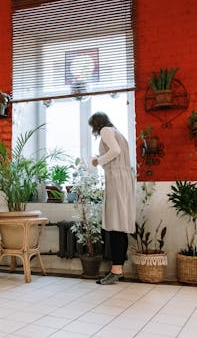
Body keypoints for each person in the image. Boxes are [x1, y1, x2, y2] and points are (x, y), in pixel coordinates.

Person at [88, 111, 136, 285]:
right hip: (125, 180)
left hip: (117, 180)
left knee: (115, 224)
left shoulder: (106, 131)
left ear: (96, 124)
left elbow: (114, 151)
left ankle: (116, 270)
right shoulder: (118, 132)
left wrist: (98, 160)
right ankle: (119, 269)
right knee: (121, 224)